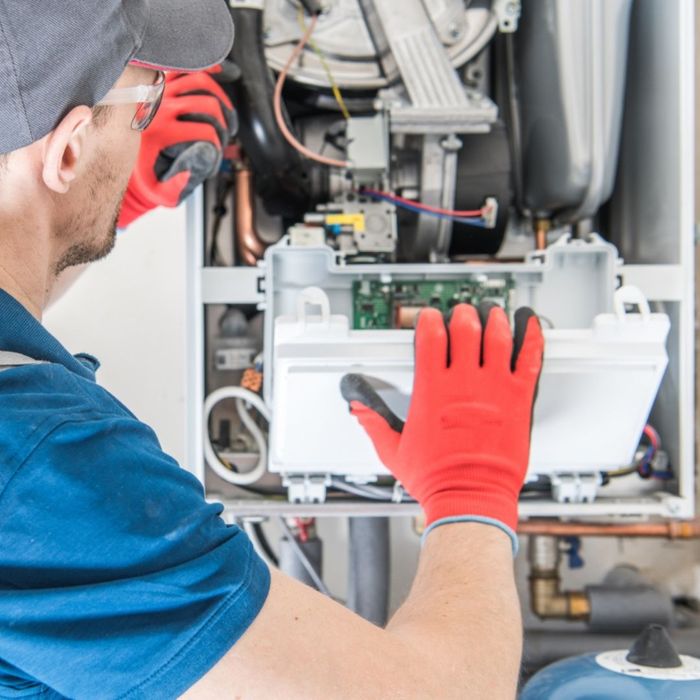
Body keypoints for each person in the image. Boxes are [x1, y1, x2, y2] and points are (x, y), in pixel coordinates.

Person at [0, 2, 544, 698]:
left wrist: (103, 205)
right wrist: (473, 491)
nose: (150, 128)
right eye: (147, 103)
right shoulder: (47, 473)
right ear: (68, 151)